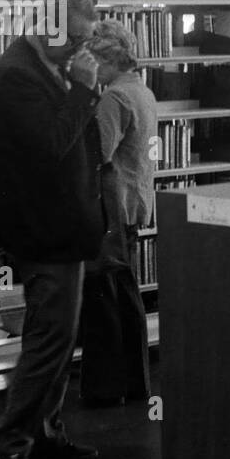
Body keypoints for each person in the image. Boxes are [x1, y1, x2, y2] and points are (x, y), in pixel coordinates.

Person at [0, 0, 103, 459]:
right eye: (75, 40)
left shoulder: (52, 66)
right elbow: (50, 146)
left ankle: (46, 434)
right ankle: (12, 441)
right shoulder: (15, 75)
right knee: (48, 339)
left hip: (67, 225)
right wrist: (81, 91)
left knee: (59, 338)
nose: (82, 51)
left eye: (87, 42)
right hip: (42, 228)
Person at [79, 21, 157, 407]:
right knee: (125, 296)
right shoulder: (141, 90)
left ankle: (105, 389)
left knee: (103, 301)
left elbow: (98, 156)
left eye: (93, 60)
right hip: (134, 202)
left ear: (107, 60)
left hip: (110, 207)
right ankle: (135, 383)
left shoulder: (113, 99)